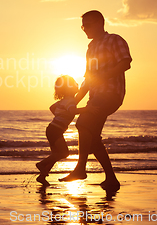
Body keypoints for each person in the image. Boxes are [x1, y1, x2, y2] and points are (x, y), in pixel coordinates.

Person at [59, 10, 132, 191]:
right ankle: (111, 179)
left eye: (87, 25)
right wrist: (74, 101)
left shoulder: (114, 40)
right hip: (95, 96)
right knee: (92, 139)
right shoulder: (90, 48)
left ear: (100, 23)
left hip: (110, 94)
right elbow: (88, 80)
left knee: (83, 123)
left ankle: (80, 168)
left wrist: (103, 77)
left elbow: (125, 63)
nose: (84, 29)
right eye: (82, 25)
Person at [36, 75, 79, 186]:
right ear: (69, 88)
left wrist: (59, 115)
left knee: (55, 155)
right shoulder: (70, 101)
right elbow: (73, 111)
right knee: (64, 153)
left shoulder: (64, 101)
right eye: (75, 83)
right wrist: (88, 110)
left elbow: (52, 108)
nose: (77, 85)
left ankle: (42, 176)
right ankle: (41, 164)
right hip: (55, 130)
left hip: (52, 129)